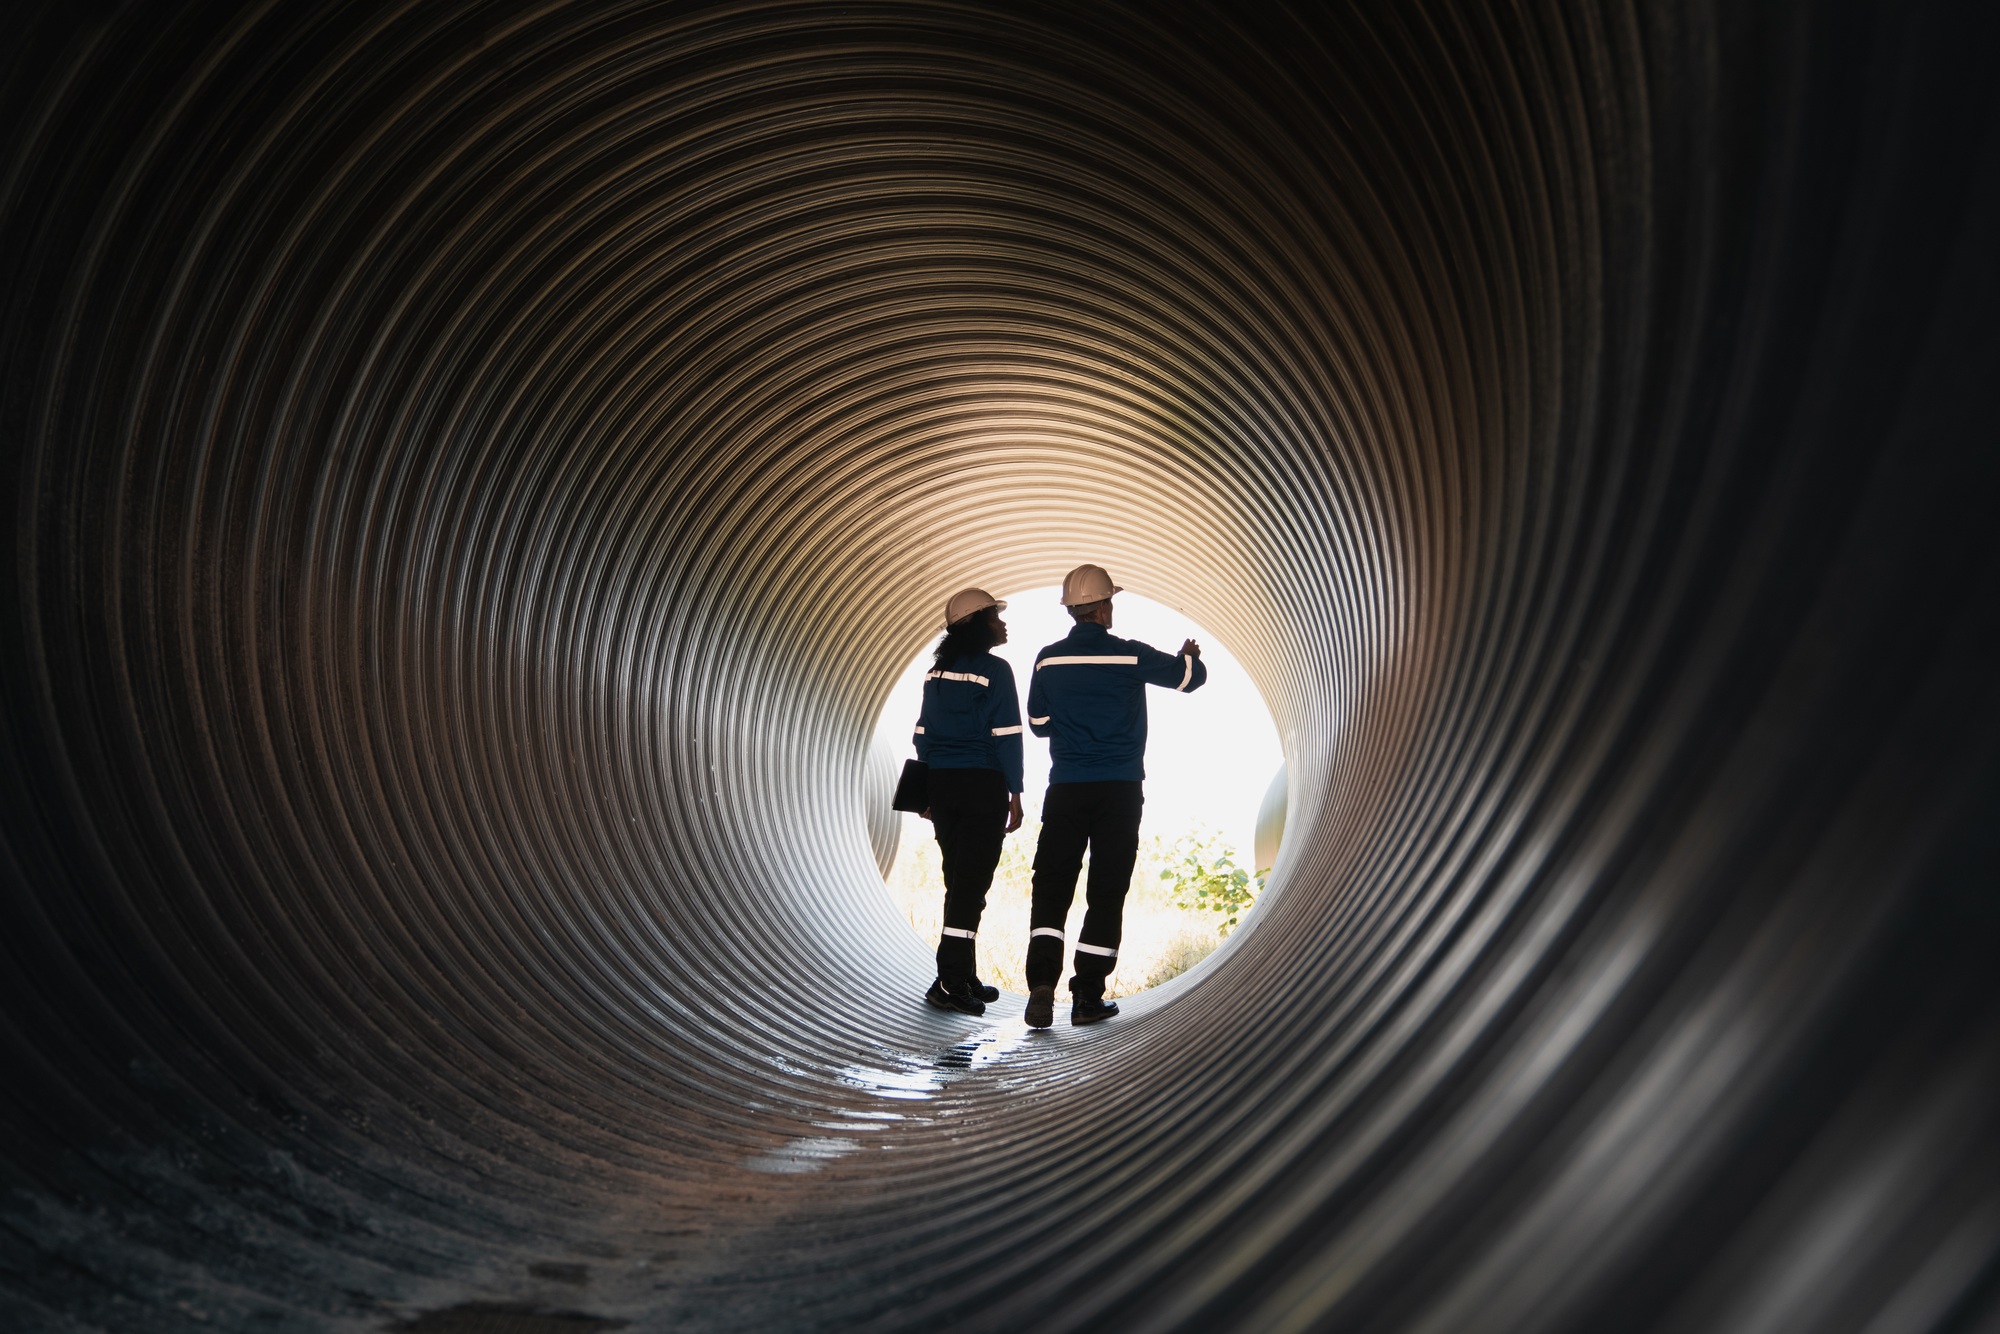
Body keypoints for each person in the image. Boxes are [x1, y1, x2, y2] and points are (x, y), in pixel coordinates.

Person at [1022, 564, 1206, 1027]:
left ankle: (1042, 982)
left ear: (1071, 610)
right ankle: (1086, 995)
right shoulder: (1130, 655)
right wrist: (1189, 656)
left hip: (1065, 787)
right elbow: (1190, 679)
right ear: (1104, 607)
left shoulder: (1047, 659)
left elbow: (1040, 726)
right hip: (1119, 791)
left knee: (1052, 884)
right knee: (1106, 889)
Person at [912, 588, 1026, 1015]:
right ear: (980, 626)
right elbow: (1008, 736)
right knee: (970, 888)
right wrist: (1015, 791)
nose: (1003, 623)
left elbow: (922, 733)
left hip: (943, 786)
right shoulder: (996, 671)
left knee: (958, 882)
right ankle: (950, 983)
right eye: (996, 617)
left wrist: (926, 791)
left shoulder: (936, 673)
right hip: (982, 787)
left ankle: (962, 973)